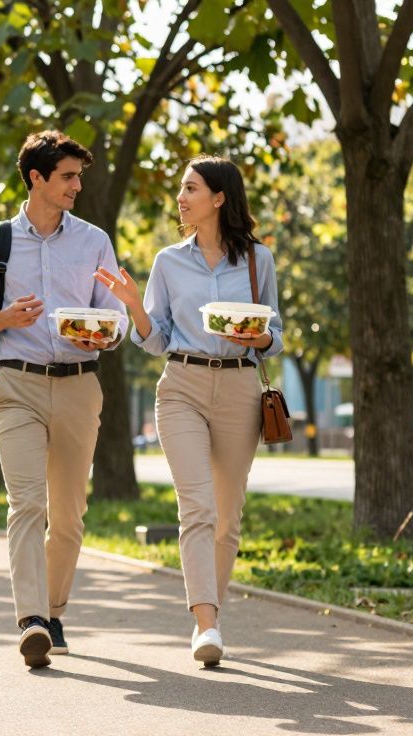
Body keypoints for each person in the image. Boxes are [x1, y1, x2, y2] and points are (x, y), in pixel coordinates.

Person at [94, 155, 282, 667]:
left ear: (219, 198)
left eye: (191, 188)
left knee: (227, 515)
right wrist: (135, 306)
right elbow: (156, 340)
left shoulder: (258, 261)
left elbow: (276, 334)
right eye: (181, 188)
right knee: (197, 507)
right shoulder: (168, 262)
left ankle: (211, 615)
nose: (181, 198)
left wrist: (258, 337)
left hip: (240, 388)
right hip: (181, 386)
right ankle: (206, 624)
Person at [0, 130, 127, 669]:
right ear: (36, 178)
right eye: (68, 177)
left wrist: (103, 335)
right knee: (27, 503)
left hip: (80, 384)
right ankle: (31, 619)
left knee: (69, 516)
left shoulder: (94, 241)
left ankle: (53, 611)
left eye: (79, 177)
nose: (77, 186)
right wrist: (6, 318)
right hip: (18, 385)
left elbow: (116, 314)